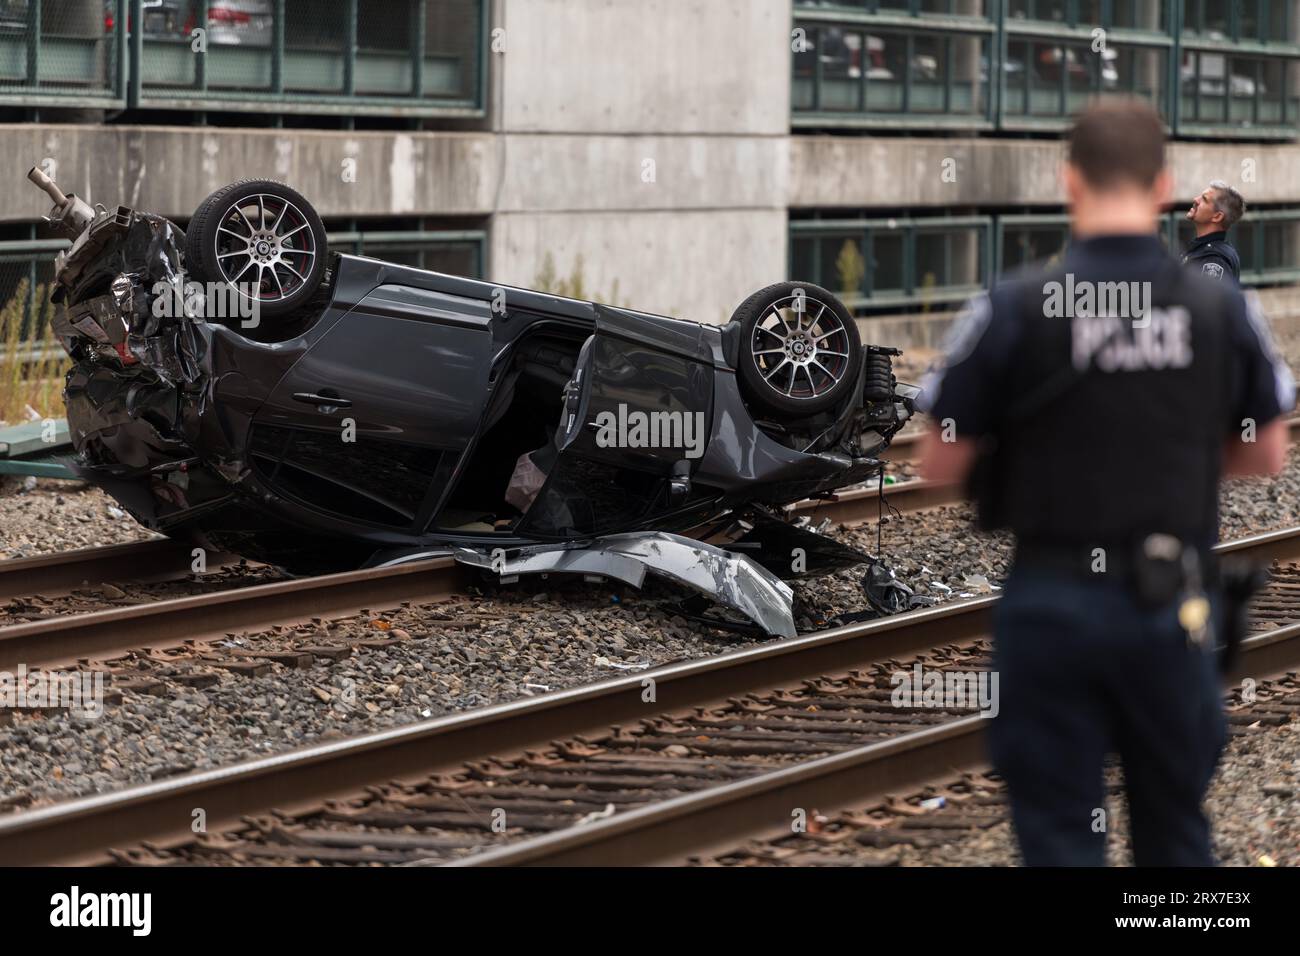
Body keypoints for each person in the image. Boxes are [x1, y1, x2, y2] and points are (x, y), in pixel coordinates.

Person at [918, 100, 1293, 866]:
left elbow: (940, 459)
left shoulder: (1012, 304)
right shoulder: (1220, 304)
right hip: (1170, 605)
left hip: (1049, 605)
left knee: (1058, 836)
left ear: (1070, 182)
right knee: (1177, 836)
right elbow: (1267, 451)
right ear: (1161, 183)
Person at [1184, 180, 1245, 283]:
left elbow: (1205, 299)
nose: (1196, 200)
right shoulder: (1200, 250)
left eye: (1204, 199)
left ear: (1217, 216)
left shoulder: (1214, 259)